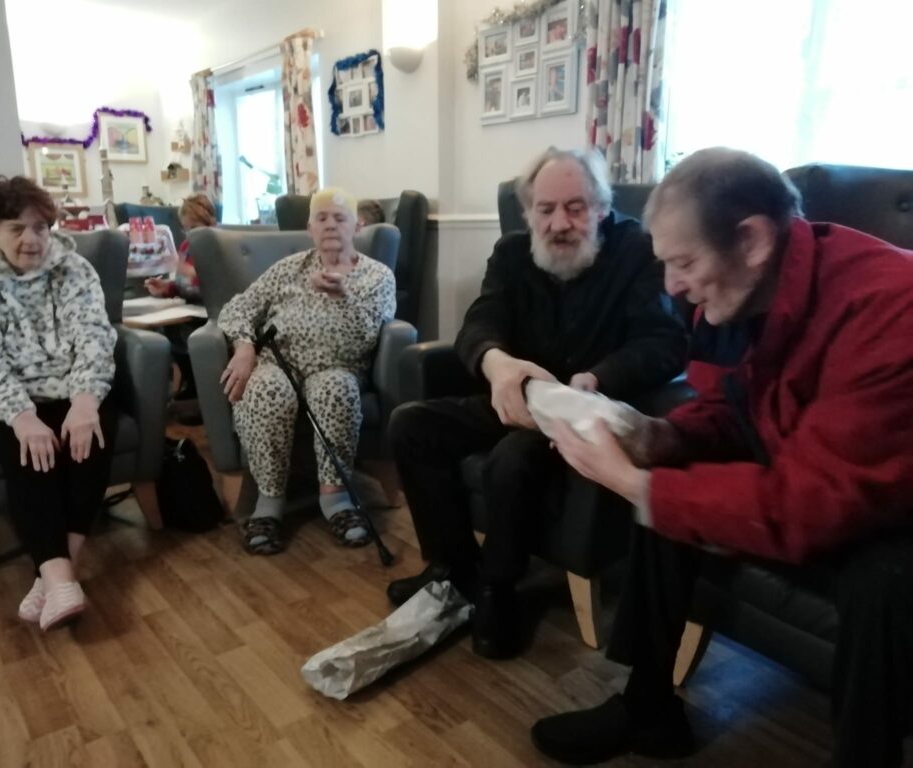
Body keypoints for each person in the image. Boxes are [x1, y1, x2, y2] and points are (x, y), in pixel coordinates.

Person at [535, 148, 913, 767]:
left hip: (887, 504)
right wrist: (658, 438)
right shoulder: (740, 294)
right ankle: (649, 707)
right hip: (816, 470)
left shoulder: (889, 308)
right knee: (668, 473)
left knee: (885, 581)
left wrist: (635, 487)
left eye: (684, 263)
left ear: (752, 239)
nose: (671, 286)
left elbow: (814, 501)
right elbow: (733, 406)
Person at [386, 147, 688, 658]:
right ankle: (453, 570)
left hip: (584, 416)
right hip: (518, 400)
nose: (559, 224)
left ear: (601, 208)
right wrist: (497, 364)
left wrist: (599, 377)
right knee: (409, 425)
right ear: (529, 213)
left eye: (575, 207)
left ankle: (498, 587)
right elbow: (479, 323)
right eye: (545, 210)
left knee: (512, 459)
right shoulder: (511, 253)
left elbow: (664, 342)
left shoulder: (637, 251)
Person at [0, 175, 118, 631]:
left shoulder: (74, 269)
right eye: (16, 228)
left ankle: (56, 580)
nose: (31, 239)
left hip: (67, 387)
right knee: (30, 453)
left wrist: (85, 404)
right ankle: (61, 578)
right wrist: (22, 417)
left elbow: (95, 339)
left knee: (94, 437)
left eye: (40, 227)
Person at [217, 187, 396, 555]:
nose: (330, 225)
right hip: (278, 362)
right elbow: (239, 308)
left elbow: (369, 335)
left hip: (339, 365)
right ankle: (269, 502)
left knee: (337, 390)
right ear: (310, 228)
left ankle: (336, 499)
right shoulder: (289, 268)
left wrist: (343, 298)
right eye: (321, 218)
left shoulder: (377, 277)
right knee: (266, 389)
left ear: (357, 227)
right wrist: (245, 347)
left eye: (340, 218)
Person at [145, 193, 216, 404]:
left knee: (185, 335)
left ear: (210, 223)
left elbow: (216, 282)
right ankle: (190, 384)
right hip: (189, 309)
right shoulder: (186, 247)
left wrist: (191, 272)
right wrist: (166, 287)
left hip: (210, 311)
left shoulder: (215, 245)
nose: (189, 234)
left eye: (194, 228)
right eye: (186, 228)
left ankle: (199, 390)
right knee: (165, 333)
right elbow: (183, 285)